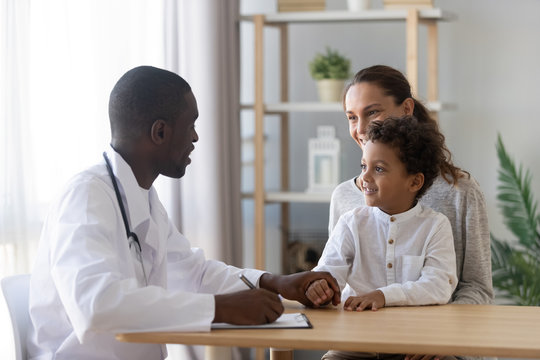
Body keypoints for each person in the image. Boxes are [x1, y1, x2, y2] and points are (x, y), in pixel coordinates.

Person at [26, 66, 340, 360]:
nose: (195, 137)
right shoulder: (86, 196)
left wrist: (275, 282)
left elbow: (193, 273)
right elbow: (97, 305)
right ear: (160, 132)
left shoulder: (142, 195)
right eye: (190, 125)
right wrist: (221, 308)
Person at [312, 65, 493, 360]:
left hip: (440, 341)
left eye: (372, 113)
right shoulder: (345, 198)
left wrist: (439, 338)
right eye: (351, 117)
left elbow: (477, 289)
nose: (361, 129)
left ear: (407, 109)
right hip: (363, 342)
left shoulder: (459, 193)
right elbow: (332, 276)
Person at [306, 117, 458, 360]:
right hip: (355, 345)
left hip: (415, 346)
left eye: (378, 169)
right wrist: (318, 285)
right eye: (363, 166)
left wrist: (383, 295)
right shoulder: (351, 222)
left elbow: (438, 286)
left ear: (414, 181)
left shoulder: (435, 227)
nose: (365, 177)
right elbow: (328, 271)